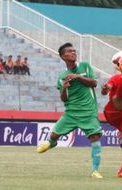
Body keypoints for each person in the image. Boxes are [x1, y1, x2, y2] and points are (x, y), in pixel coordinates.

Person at [37, 43, 103, 179]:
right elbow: (64, 99)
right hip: (71, 112)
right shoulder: (62, 77)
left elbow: (94, 83)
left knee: (95, 138)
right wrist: (64, 88)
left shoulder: (84, 66)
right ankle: (51, 143)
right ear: (63, 56)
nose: (73, 52)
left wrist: (78, 76)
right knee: (54, 135)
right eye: (69, 51)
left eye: (74, 50)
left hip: (87, 111)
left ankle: (95, 170)